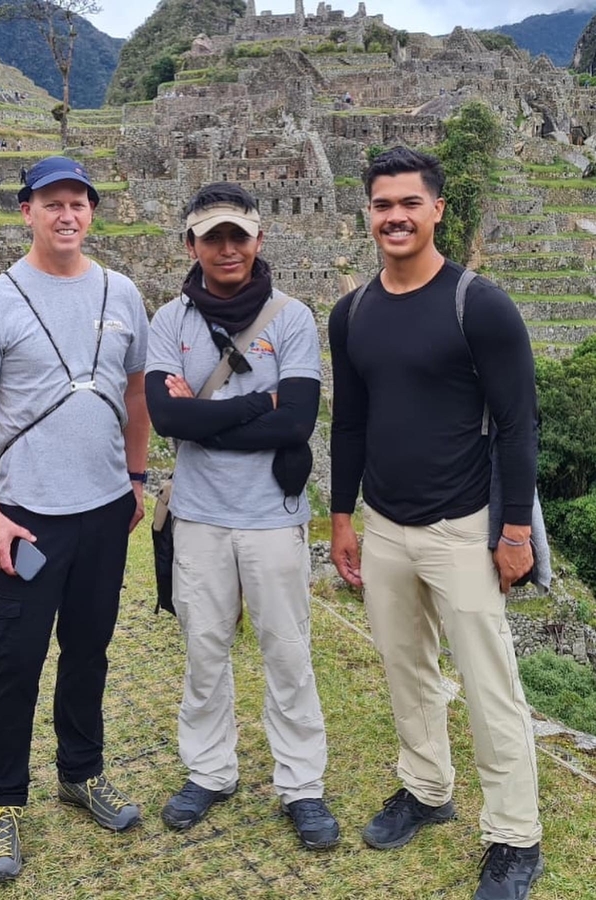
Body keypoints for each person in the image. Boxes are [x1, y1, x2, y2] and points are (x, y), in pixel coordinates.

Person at [328, 146, 543, 900]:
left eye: (409, 203)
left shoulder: (477, 304)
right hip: (384, 525)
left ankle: (515, 836)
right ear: (369, 213)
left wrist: (514, 532)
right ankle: (425, 788)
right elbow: (349, 424)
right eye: (382, 205)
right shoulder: (352, 312)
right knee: (405, 669)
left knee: (490, 687)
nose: (395, 217)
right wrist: (341, 517)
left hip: (463, 526)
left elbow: (518, 427)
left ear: (437, 209)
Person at [0, 156, 150, 883]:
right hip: (28, 516)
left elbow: (135, 396)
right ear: (27, 212)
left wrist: (136, 478)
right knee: (14, 660)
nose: (67, 215)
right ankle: (2, 802)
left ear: (92, 213)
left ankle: (81, 770)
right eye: (52, 203)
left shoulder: (122, 291)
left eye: (79, 203)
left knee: (90, 648)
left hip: (104, 511)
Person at [145, 182, 340, 851]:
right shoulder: (171, 321)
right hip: (199, 518)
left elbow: (299, 421)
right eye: (212, 237)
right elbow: (168, 418)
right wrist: (258, 407)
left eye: (238, 235)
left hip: (271, 517)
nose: (226, 249)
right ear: (191, 245)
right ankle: (210, 770)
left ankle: (301, 784)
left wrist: (206, 424)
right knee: (204, 653)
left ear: (258, 240)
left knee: (287, 653)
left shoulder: (289, 318)